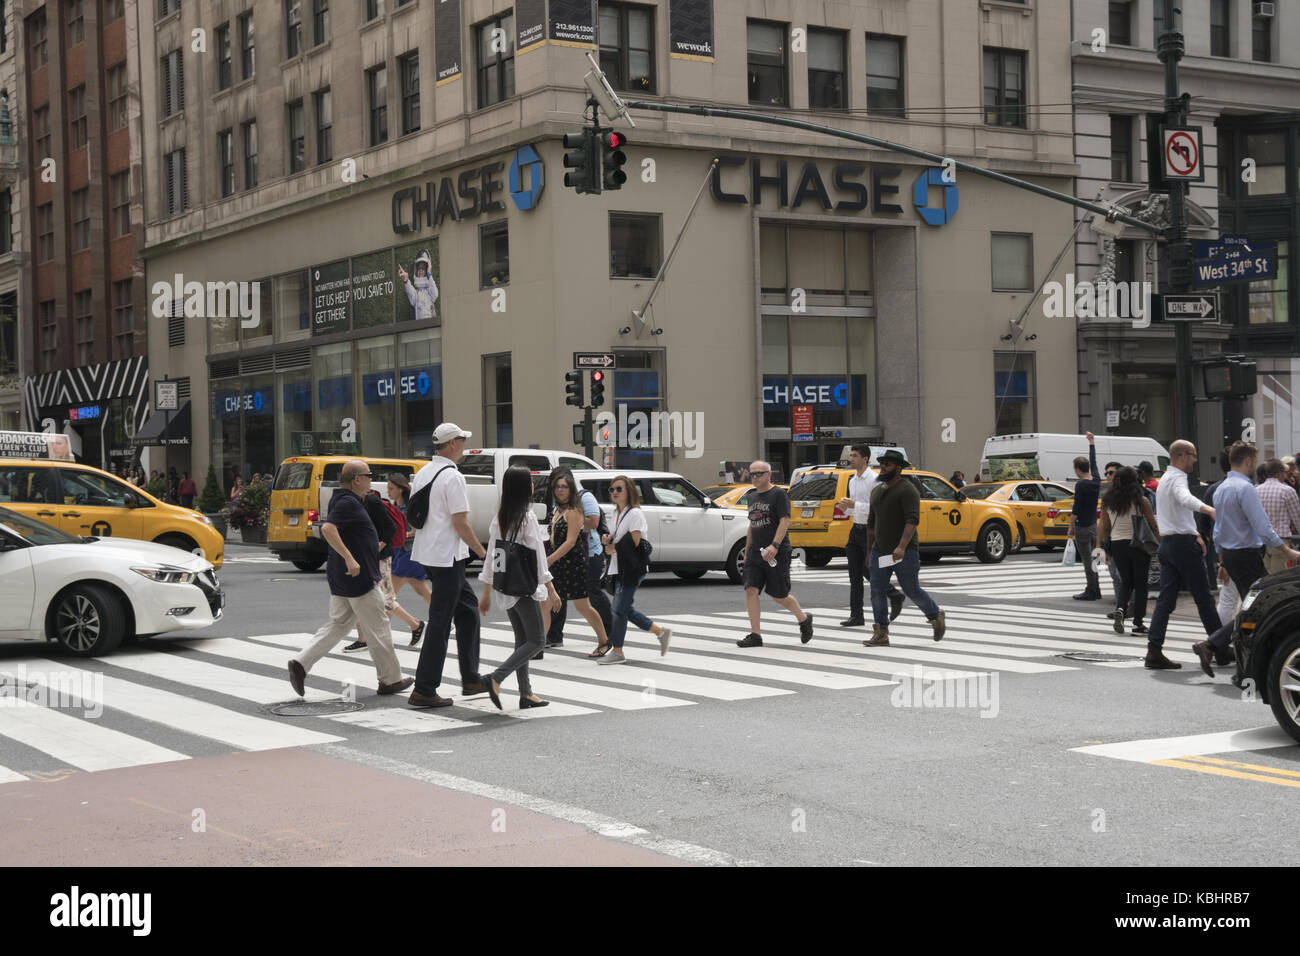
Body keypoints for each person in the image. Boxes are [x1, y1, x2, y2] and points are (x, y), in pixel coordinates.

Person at [286, 461, 412, 698]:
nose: (371, 480)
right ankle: (390, 680)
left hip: (344, 576)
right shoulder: (348, 502)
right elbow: (328, 529)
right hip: (358, 577)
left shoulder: (345, 499)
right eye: (368, 475)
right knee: (379, 627)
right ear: (356, 479)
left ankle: (301, 663)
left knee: (339, 624)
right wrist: (351, 558)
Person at [1192, 443, 1300, 677]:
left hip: (1232, 555)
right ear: (1249, 461)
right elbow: (1262, 527)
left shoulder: (1221, 489)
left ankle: (1219, 651)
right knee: (1261, 607)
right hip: (1246, 555)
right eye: (1254, 462)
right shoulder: (1245, 488)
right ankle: (1224, 654)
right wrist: (1288, 551)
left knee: (1253, 609)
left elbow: (1218, 531)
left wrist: (1222, 561)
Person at [409, 423, 489, 708]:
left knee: (467, 612)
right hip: (447, 556)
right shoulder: (453, 476)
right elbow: (460, 521)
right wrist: (481, 551)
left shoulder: (424, 472)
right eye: (462, 439)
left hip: (431, 553)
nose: (464, 444)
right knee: (441, 622)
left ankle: (471, 678)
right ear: (452, 443)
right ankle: (424, 688)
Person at [479, 466, 560, 710]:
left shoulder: (500, 517)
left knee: (522, 640)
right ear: (524, 488)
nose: (534, 485)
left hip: (506, 584)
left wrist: (487, 589)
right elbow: (538, 557)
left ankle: (526, 693)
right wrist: (551, 588)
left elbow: (492, 555)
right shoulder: (527, 517)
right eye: (530, 482)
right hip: (524, 585)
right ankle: (496, 678)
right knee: (537, 641)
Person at [1143, 440, 1219, 670]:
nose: (1195, 460)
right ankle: (1220, 647)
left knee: (1165, 601)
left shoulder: (1165, 478)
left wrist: (1194, 532)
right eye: (1193, 455)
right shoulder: (1178, 479)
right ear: (1183, 455)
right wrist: (1209, 509)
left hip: (1168, 544)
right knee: (1203, 598)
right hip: (1184, 546)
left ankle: (1154, 650)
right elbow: (1185, 498)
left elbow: (1174, 513)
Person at [862, 450, 945, 646]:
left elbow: (912, 520)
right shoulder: (876, 491)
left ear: (898, 468)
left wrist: (901, 547)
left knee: (911, 589)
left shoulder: (907, 490)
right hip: (879, 550)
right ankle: (881, 632)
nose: (883, 467)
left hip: (904, 552)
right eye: (882, 464)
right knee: (877, 590)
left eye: (888, 464)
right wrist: (869, 551)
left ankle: (935, 615)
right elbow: (871, 524)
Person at [736, 460, 813, 648]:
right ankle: (755, 635)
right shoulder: (752, 496)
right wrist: (747, 550)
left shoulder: (778, 494)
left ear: (769, 474)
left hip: (777, 553)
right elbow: (752, 525)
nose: (755, 477)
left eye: (759, 473)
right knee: (750, 590)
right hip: (755, 553)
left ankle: (803, 619)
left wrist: (775, 545)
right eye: (752, 474)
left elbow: (784, 520)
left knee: (779, 596)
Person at [342, 487, 427, 653]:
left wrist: (377, 548)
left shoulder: (371, 501)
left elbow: (390, 529)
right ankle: (363, 638)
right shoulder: (356, 501)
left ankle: (415, 624)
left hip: (380, 559)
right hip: (367, 558)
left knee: (385, 599)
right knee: (360, 596)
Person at [600, 476, 671, 663]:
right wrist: (608, 540)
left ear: (629, 491)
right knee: (623, 608)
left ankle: (617, 652)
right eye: (612, 489)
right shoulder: (616, 513)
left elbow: (635, 541)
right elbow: (618, 539)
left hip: (632, 568)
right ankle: (660, 632)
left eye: (619, 489)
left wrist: (613, 547)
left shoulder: (635, 514)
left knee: (618, 610)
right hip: (619, 567)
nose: (614, 492)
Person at [544, 469, 612, 657]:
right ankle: (537, 645)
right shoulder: (558, 510)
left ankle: (604, 641)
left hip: (573, 564)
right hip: (559, 563)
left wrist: (550, 559)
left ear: (571, 489)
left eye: (564, 487)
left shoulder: (574, 511)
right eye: (557, 487)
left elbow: (571, 541)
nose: (560, 490)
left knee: (583, 606)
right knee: (546, 603)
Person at [837, 443, 903, 628]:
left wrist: (854, 505)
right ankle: (856, 615)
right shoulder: (852, 480)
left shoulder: (874, 479)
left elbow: (879, 508)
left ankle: (894, 594)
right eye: (851, 455)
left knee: (869, 571)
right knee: (854, 575)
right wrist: (846, 508)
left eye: (855, 456)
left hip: (871, 531)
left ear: (865, 459)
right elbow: (855, 508)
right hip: (855, 529)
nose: (851, 459)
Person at [1099, 466, 1160, 635]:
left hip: (1117, 545)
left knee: (1126, 581)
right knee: (1141, 585)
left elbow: (1105, 526)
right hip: (1138, 544)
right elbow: (1153, 526)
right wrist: (1161, 545)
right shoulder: (1141, 501)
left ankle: (1120, 608)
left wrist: (1106, 547)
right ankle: (1138, 624)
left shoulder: (1107, 501)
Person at [387, 473, 433, 646]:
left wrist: (401, 535)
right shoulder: (395, 507)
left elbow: (415, 530)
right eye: (388, 488)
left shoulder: (407, 508)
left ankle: (384, 631)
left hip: (409, 553)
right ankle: (444, 619)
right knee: (422, 590)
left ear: (401, 489)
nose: (388, 492)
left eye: (391, 488)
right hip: (402, 552)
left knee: (388, 595)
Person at [1068, 432, 1103, 601]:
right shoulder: (1096, 479)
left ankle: (1091, 590)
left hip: (1082, 526)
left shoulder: (1081, 485)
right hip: (1093, 525)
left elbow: (1076, 508)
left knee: (1087, 559)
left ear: (1077, 469)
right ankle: (1096, 588)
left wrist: (1070, 526)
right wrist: (1091, 442)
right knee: (1094, 558)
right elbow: (1094, 461)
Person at [1257, 458, 1300, 575]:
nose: (1286, 475)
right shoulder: (1287, 491)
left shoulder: (1256, 490)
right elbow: (1297, 518)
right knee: (1280, 579)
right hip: (1281, 543)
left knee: (1265, 581)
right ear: (1279, 473)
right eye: (1285, 472)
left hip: (1261, 543)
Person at [398, 250, 438, 321]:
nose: (421, 270)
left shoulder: (430, 291)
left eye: (423, 268)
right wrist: (406, 280)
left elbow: (435, 293)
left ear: (426, 270)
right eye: (419, 268)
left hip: (431, 326)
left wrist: (429, 273)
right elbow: (410, 292)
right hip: (421, 327)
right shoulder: (416, 294)